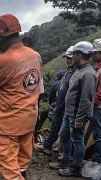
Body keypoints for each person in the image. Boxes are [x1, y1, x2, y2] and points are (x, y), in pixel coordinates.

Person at [0, 14, 42, 179]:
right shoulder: (34, 55)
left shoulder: (3, 61)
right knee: (21, 162)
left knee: (9, 170)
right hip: (28, 120)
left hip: (8, 124)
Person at [58, 41, 97, 177]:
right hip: (69, 113)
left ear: (79, 54)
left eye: (73, 53)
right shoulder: (79, 69)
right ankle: (65, 161)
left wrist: (80, 119)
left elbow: (86, 99)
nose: (71, 56)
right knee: (64, 136)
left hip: (76, 115)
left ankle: (75, 168)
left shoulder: (89, 74)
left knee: (78, 141)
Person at [93, 38, 101, 164]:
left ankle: (99, 161)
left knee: (99, 135)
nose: (93, 55)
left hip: (98, 107)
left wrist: (92, 103)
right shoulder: (96, 68)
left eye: (95, 52)